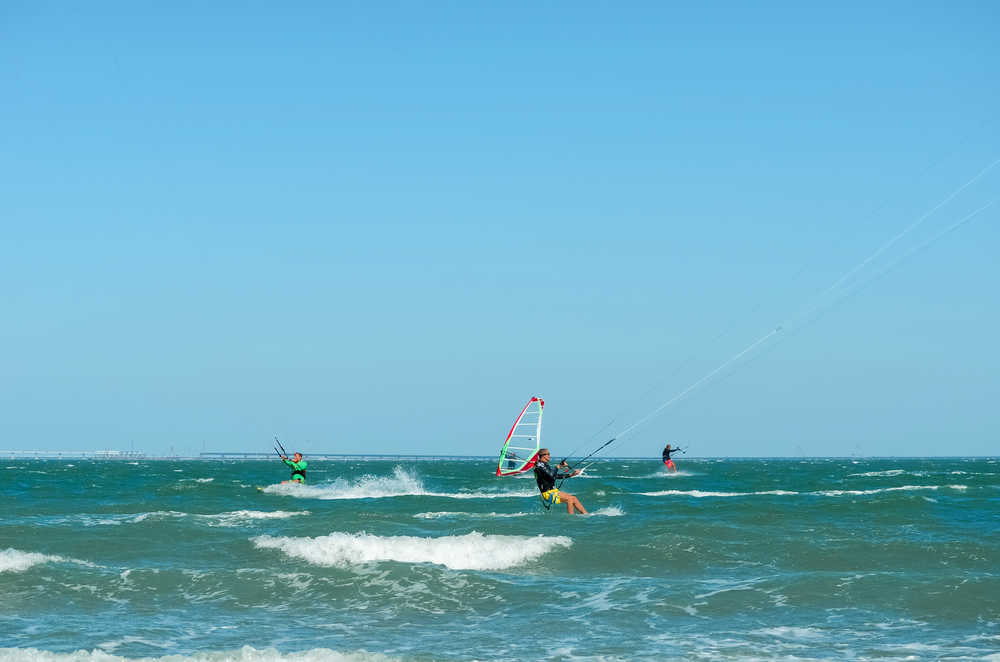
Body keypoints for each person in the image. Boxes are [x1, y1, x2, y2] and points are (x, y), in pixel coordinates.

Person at [533, 448, 587, 514]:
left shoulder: (544, 464)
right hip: (547, 493)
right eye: (548, 454)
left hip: (553, 491)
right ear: (544, 455)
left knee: (574, 498)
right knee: (569, 499)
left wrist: (571, 475)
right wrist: (557, 467)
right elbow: (551, 475)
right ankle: (571, 518)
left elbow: (555, 476)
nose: (549, 456)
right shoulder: (540, 465)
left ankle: (586, 514)